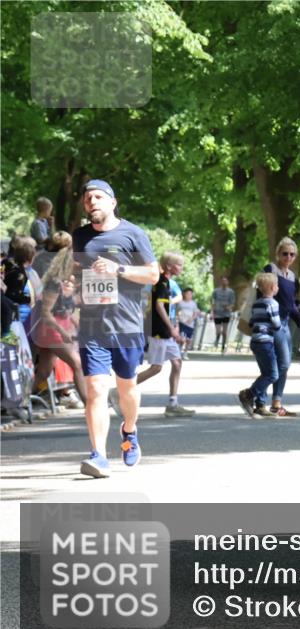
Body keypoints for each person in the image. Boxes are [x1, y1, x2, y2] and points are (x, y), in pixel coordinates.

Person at [72, 179, 158, 478]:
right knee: (96, 388)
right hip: (92, 325)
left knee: (127, 389)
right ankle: (98, 456)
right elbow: (78, 272)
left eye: (97, 197)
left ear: (112, 201)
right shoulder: (80, 236)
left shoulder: (133, 234)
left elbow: (153, 274)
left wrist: (118, 269)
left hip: (127, 324)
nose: (91, 202)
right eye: (87, 199)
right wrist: (74, 286)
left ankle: (129, 430)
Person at [121, 252, 195, 418]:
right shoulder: (161, 282)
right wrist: (173, 329)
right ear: (169, 266)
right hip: (159, 332)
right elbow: (159, 307)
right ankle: (121, 390)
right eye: (179, 265)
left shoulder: (166, 282)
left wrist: (172, 327)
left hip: (165, 332)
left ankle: (172, 404)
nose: (182, 268)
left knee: (177, 363)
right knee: (156, 368)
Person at [30, 247, 87, 405]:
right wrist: (62, 332)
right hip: (51, 331)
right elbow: (46, 313)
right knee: (77, 364)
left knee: (43, 371)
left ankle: (20, 400)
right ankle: (89, 404)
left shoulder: (63, 282)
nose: (79, 263)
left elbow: (65, 310)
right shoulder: (54, 283)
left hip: (54, 330)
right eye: (76, 260)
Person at [261, 237, 300, 416]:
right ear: (278, 254)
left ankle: (276, 402)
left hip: (286, 322)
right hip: (274, 322)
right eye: (285, 253)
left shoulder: (293, 276)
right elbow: (262, 293)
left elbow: (291, 303)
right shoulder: (271, 269)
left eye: (292, 254)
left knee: (284, 363)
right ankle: (255, 393)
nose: (288, 257)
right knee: (283, 362)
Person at [237, 272, 283, 418]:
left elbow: (251, 322)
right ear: (271, 287)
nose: (277, 288)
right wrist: (278, 328)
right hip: (266, 342)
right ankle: (249, 394)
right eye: (276, 285)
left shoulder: (257, 303)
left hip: (255, 341)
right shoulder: (273, 304)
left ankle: (260, 405)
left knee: (265, 373)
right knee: (273, 374)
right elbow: (276, 324)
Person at [211, 276, 236, 353]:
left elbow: (233, 303)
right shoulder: (216, 291)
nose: (224, 282)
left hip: (226, 314)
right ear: (220, 282)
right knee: (218, 331)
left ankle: (223, 345)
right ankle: (217, 339)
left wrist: (228, 307)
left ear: (228, 282)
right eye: (223, 281)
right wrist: (212, 311)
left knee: (224, 332)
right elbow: (212, 301)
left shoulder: (231, 292)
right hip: (217, 313)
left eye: (225, 281)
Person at [176, 287, 200, 357]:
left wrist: (191, 319)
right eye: (188, 294)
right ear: (184, 294)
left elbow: (195, 313)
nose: (189, 295)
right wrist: (178, 318)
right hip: (182, 323)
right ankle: (179, 351)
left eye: (190, 294)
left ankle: (185, 352)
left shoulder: (193, 304)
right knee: (182, 339)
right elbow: (177, 312)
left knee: (188, 340)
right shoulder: (180, 303)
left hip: (190, 324)